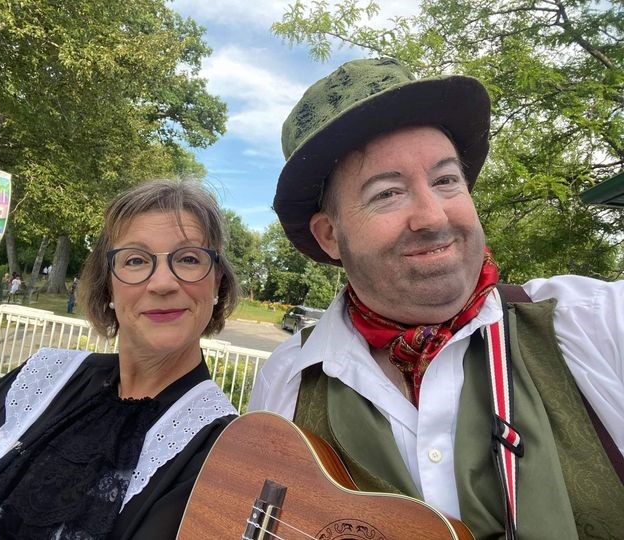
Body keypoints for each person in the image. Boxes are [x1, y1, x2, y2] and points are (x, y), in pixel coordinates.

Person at [249, 58, 624, 539]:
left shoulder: (591, 325)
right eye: (387, 193)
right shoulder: (288, 380)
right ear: (329, 236)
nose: (432, 215)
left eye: (447, 180)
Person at [0, 179, 239, 538]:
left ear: (217, 282)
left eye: (189, 259)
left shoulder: (219, 453)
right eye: (136, 260)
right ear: (108, 286)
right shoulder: (45, 377)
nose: (162, 283)